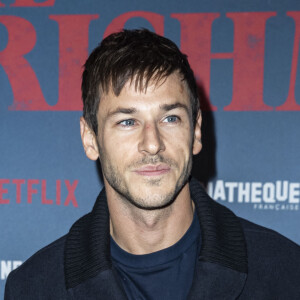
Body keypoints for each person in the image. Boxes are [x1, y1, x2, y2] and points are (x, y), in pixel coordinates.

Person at [5, 29, 300, 300]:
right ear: (90, 139)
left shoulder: (285, 272)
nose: (152, 143)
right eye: (127, 121)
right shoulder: (35, 288)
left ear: (196, 131)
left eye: (170, 118)